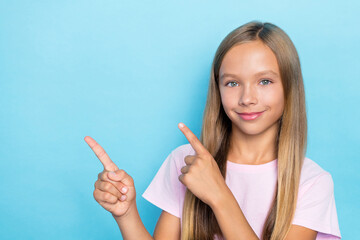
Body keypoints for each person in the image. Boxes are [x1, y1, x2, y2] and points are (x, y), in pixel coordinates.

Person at [84, 21, 341, 240]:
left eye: (264, 81)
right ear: (217, 90)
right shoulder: (186, 163)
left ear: (289, 87)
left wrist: (219, 194)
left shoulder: (311, 182)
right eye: (232, 83)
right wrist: (126, 213)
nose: (247, 98)